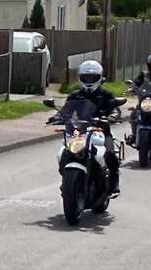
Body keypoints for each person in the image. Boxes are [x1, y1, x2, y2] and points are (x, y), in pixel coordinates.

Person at [53, 59, 123, 197]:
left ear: (99, 78)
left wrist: (111, 117)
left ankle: (114, 183)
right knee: (65, 153)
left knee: (110, 154)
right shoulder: (75, 95)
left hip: (101, 132)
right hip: (79, 132)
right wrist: (57, 117)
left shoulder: (106, 95)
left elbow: (115, 109)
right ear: (81, 77)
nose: (89, 80)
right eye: (86, 77)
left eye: (92, 77)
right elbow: (65, 110)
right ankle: (67, 181)